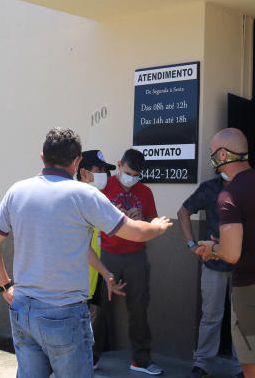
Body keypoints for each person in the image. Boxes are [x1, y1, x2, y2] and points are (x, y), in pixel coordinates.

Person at [0, 128, 172, 378]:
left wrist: (5, 288)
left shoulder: (17, 191)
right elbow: (135, 232)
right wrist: (156, 227)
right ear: (78, 161)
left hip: (22, 308)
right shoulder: (84, 195)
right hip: (64, 312)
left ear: (42, 157)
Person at [195, 129, 255, 378]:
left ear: (224, 154)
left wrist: (212, 248)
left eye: (212, 153)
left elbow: (231, 255)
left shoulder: (229, 194)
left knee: (253, 366)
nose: (212, 158)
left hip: (253, 290)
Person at [92, 149, 163, 375]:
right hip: (107, 254)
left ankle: (141, 360)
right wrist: (113, 214)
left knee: (139, 309)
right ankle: (89, 358)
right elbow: (91, 218)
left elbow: (154, 222)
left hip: (136, 255)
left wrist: (142, 220)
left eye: (136, 175)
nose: (131, 178)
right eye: (129, 172)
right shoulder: (104, 186)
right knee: (99, 309)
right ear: (119, 165)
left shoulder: (146, 192)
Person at [177, 173, 244, 378]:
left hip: (245, 265)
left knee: (242, 318)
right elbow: (183, 212)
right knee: (211, 315)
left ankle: (242, 368)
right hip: (214, 261)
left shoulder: (250, 186)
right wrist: (191, 244)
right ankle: (203, 365)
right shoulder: (210, 188)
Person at [75, 150, 127, 306]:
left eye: (105, 171)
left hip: (92, 279)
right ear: (84, 173)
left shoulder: (96, 200)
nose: (104, 174)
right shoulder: (75, 199)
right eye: (99, 170)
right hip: (75, 284)